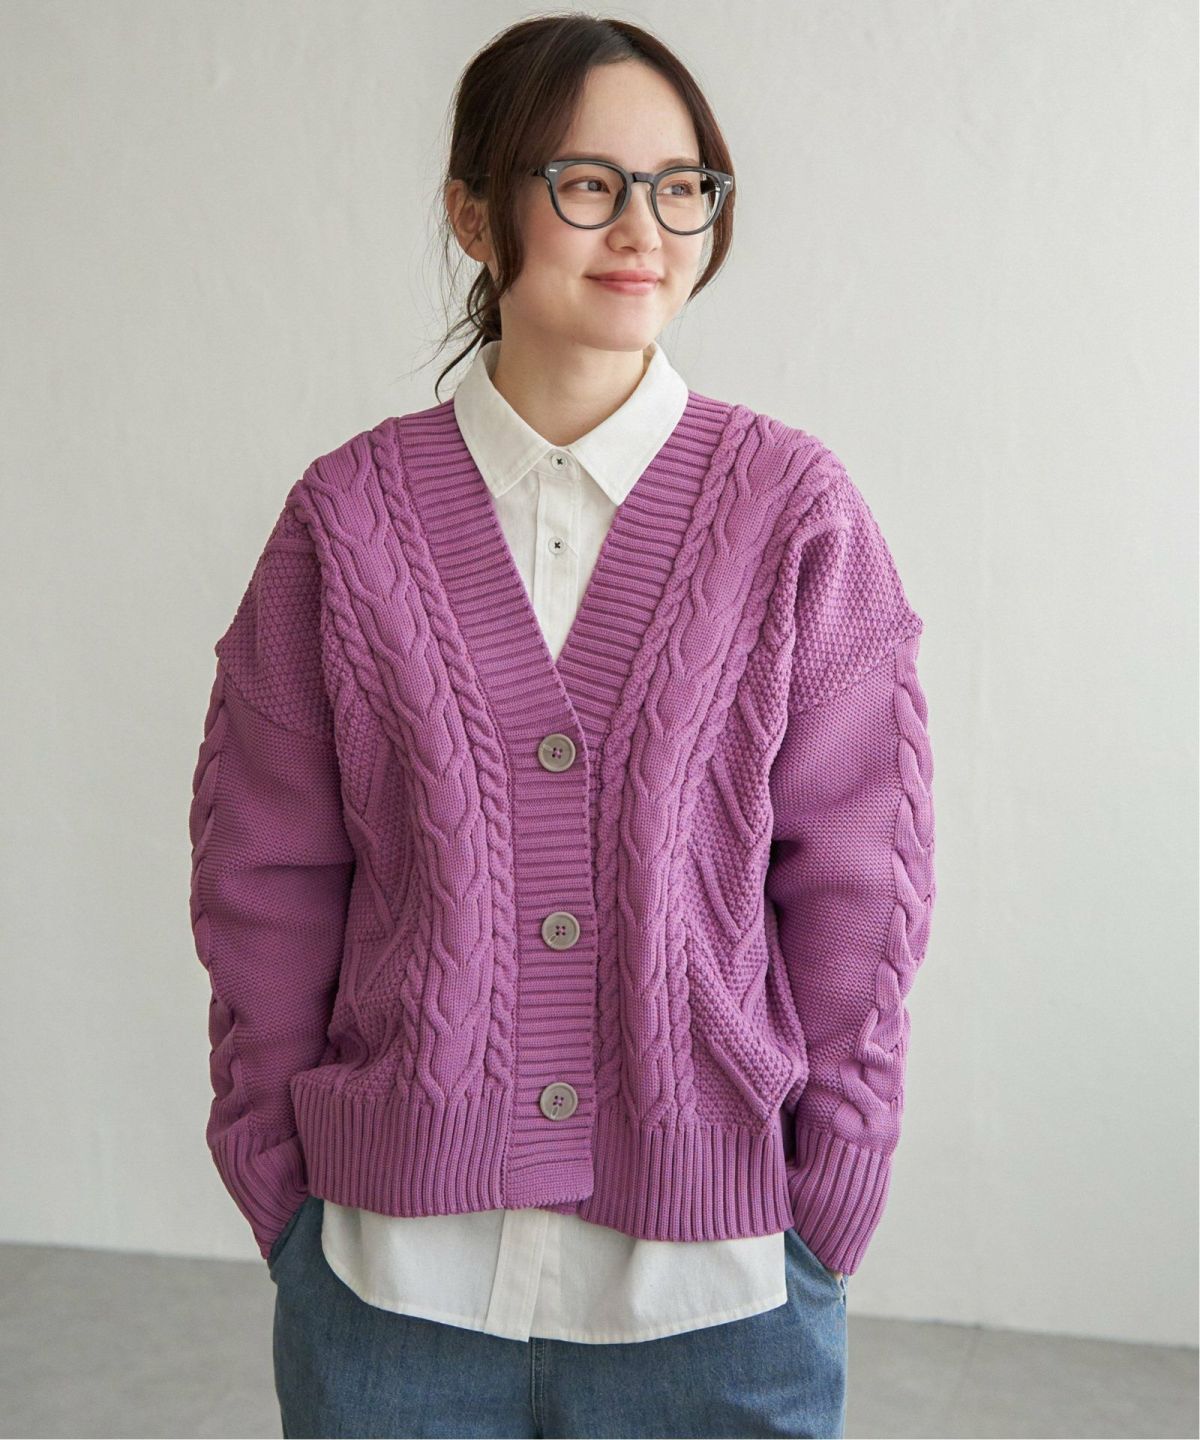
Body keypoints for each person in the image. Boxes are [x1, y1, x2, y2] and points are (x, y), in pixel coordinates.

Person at [187, 13, 937, 1439]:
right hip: (392, 1287)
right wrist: (278, 1181)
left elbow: (860, 876)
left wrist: (830, 1194)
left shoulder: (794, 515)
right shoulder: (346, 523)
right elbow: (263, 873)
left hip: (717, 1293)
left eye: (682, 184)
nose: (644, 226)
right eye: (588, 182)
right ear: (475, 214)